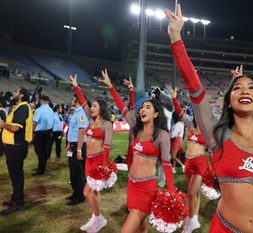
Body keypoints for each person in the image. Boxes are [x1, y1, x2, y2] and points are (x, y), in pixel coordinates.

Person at [165, 4, 253, 233]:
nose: (245, 90)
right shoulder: (219, 135)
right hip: (223, 228)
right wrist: (176, 38)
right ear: (229, 100)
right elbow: (195, 88)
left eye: (252, 87)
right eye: (237, 88)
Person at [100, 69, 175, 233]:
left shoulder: (162, 135)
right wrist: (111, 87)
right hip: (131, 185)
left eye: (147, 107)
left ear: (155, 113)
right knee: (141, 227)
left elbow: (167, 165)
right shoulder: (135, 130)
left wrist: (170, 192)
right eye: (142, 107)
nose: (143, 109)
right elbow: (123, 107)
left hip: (147, 190)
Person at [70, 75, 115, 233]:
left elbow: (107, 146)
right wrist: (76, 86)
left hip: (98, 162)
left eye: (94, 106)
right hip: (88, 160)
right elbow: (83, 102)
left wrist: (103, 166)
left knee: (86, 191)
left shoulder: (107, 124)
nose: (91, 108)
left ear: (101, 108)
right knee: (93, 192)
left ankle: (99, 218)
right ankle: (96, 217)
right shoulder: (90, 119)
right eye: (92, 106)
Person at [171, 87, 208, 233]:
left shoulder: (207, 132)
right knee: (194, 193)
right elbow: (180, 113)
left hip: (200, 163)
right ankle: (195, 219)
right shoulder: (191, 128)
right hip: (188, 162)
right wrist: (174, 99)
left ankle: (190, 221)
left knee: (191, 193)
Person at [0, 87, 33, 215]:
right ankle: (15, 198)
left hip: (16, 146)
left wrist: (3, 125)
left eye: (16, 92)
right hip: (13, 145)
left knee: (17, 175)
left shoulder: (23, 108)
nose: (13, 93)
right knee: (14, 175)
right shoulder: (19, 107)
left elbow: (14, 128)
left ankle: (18, 203)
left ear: (21, 95)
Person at [66, 92, 89, 206]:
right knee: (73, 171)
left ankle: (80, 196)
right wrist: (69, 144)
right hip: (74, 144)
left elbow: (81, 132)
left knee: (78, 171)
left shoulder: (81, 113)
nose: (71, 100)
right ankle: (75, 193)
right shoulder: (76, 112)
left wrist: (79, 149)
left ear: (77, 100)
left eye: (73, 98)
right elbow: (73, 130)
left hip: (79, 145)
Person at [32, 95, 54, 175]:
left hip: (39, 133)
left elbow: (34, 122)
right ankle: (42, 167)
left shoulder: (39, 110)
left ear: (41, 100)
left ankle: (40, 169)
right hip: (48, 132)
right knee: (44, 151)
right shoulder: (51, 110)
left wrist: (32, 132)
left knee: (39, 151)